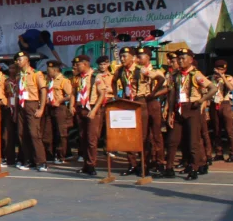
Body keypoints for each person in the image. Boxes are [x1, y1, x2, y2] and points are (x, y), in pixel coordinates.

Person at [160, 49, 212, 180]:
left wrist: (201, 101)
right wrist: (170, 111)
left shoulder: (195, 74)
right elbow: (172, 94)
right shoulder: (175, 75)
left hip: (192, 107)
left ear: (190, 59)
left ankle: (194, 168)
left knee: (193, 141)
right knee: (173, 140)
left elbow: (213, 88)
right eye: (179, 58)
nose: (180, 61)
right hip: (178, 108)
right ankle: (169, 168)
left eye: (183, 58)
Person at [112, 47, 148, 176]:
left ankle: (144, 165)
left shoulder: (140, 70)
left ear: (133, 57)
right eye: (121, 56)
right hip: (127, 102)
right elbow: (113, 81)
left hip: (139, 101)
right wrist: (116, 96)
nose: (122, 59)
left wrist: (150, 94)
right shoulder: (120, 70)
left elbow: (160, 80)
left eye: (125, 56)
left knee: (142, 136)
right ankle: (132, 164)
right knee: (129, 135)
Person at [14, 51, 48, 172]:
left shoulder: (36, 74)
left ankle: (41, 161)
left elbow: (43, 91)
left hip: (32, 103)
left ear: (27, 60)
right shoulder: (19, 75)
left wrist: (41, 108)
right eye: (17, 60)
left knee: (34, 134)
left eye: (20, 59)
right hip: (21, 105)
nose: (18, 62)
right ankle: (27, 160)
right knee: (22, 133)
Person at [71, 55, 105, 175]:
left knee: (91, 139)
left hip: (92, 108)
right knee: (83, 138)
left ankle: (91, 165)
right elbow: (74, 92)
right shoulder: (78, 78)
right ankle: (85, 164)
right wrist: (72, 105)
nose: (76, 66)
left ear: (85, 64)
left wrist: (95, 110)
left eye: (78, 64)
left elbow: (102, 94)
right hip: (81, 108)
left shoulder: (96, 76)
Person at [138, 47, 167, 174]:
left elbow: (166, 88)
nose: (139, 59)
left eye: (141, 56)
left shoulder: (156, 71)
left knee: (156, 134)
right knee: (143, 135)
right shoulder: (136, 71)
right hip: (141, 102)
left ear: (148, 57)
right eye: (138, 56)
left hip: (153, 103)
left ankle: (160, 162)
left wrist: (154, 93)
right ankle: (145, 162)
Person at [43, 60, 73, 164]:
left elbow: (70, 95)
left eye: (49, 70)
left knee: (61, 133)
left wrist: (60, 100)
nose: (47, 72)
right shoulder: (49, 80)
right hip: (49, 107)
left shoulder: (64, 80)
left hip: (60, 108)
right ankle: (50, 155)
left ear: (55, 70)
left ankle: (61, 156)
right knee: (48, 132)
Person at [209, 60, 233, 162]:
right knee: (216, 129)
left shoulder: (228, 77)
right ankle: (219, 152)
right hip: (214, 104)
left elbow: (231, 88)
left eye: (222, 69)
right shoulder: (211, 78)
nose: (220, 71)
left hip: (224, 103)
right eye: (218, 69)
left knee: (229, 129)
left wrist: (222, 77)